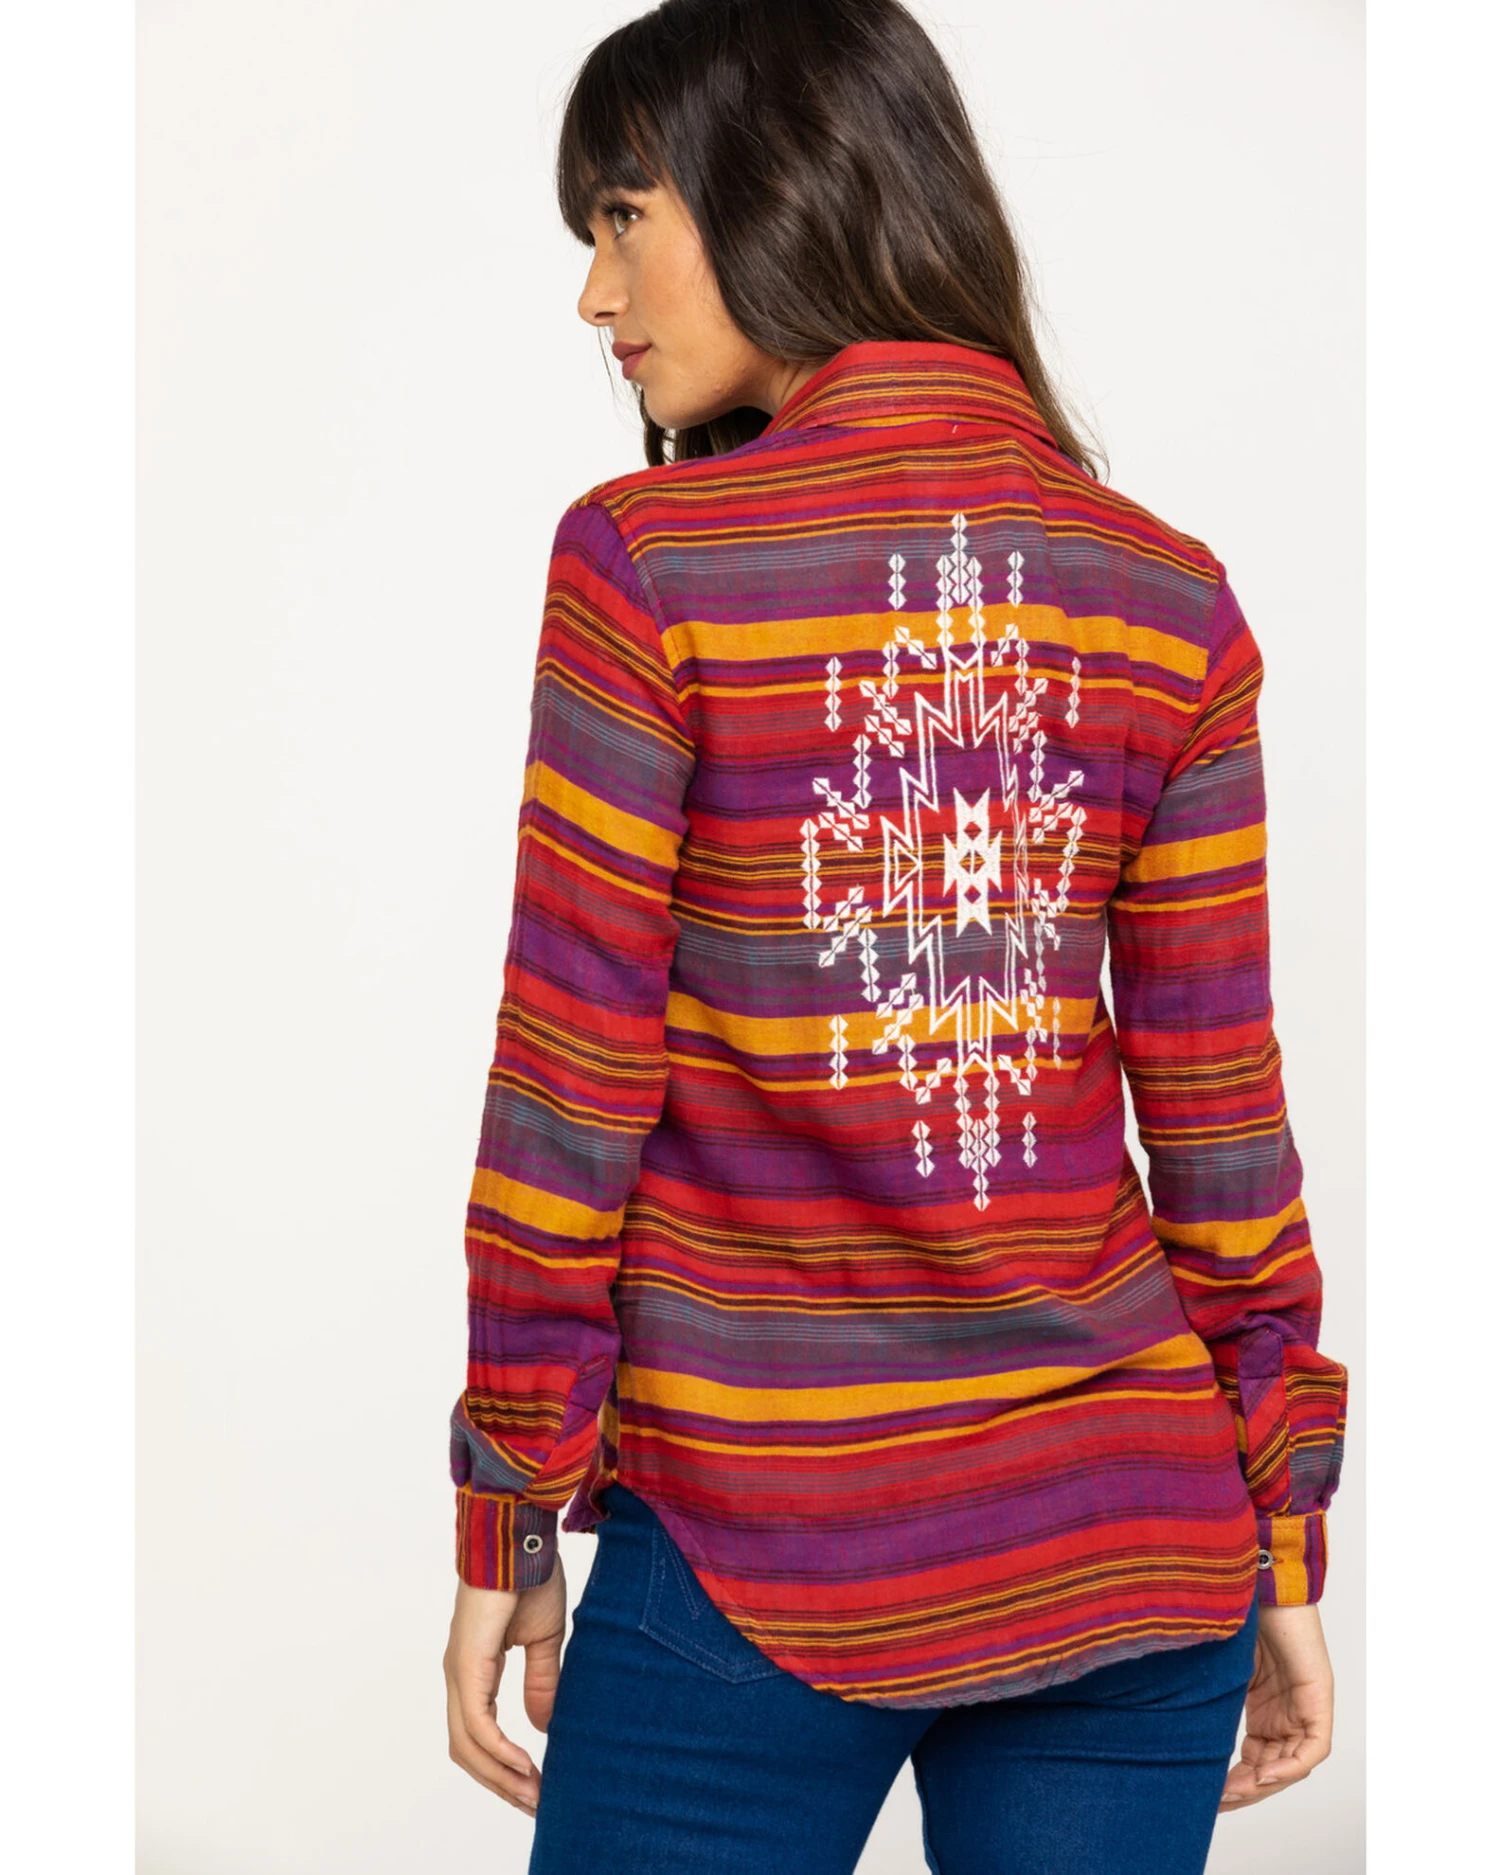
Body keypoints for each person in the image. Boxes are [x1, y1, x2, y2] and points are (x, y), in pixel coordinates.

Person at [442, 3, 1349, 1870]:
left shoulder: (652, 565)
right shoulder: (1167, 597)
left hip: (764, 1531)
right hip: (1131, 1535)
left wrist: (510, 1505)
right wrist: (1278, 1529)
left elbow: (569, 1086)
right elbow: (1225, 1129)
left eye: (622, 217)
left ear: (779, 189)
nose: (595, 295)